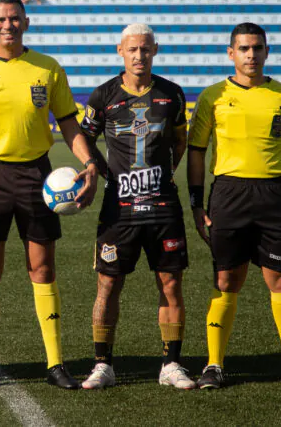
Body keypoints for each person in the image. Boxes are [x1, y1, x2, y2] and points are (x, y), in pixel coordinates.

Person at [0, 0, 96, 390]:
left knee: (42, 268)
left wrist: (90, 162)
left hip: (36, 177)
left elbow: (68, 123)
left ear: (25, 22)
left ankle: (56, 363)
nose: (7, 25)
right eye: (0, 19)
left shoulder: (47, 68)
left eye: (14, 18)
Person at [188, 22, 281, 390]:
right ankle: (214, 365)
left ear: (267, 52)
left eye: (257, 48)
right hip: (228, 194)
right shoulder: (212, 96)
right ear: (230, 53)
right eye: (244, 48)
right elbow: (196, 154)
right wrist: (197, 203)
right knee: (226, 279)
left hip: (275, 195)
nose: (251, 55)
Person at [78, 24, 195, 390]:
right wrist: (95, 165)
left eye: (145, 49)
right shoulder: (103, 96)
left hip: (163, 208)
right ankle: (102, 365)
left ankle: (171, 364)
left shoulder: (172, 95)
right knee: (108, 285)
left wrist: (163, 175)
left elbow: (180, 141)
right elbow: (83, 136)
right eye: (132, 50)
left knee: (170, 283)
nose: (139, 56)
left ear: (155, 50)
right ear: (120, 51)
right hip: (119, 209)